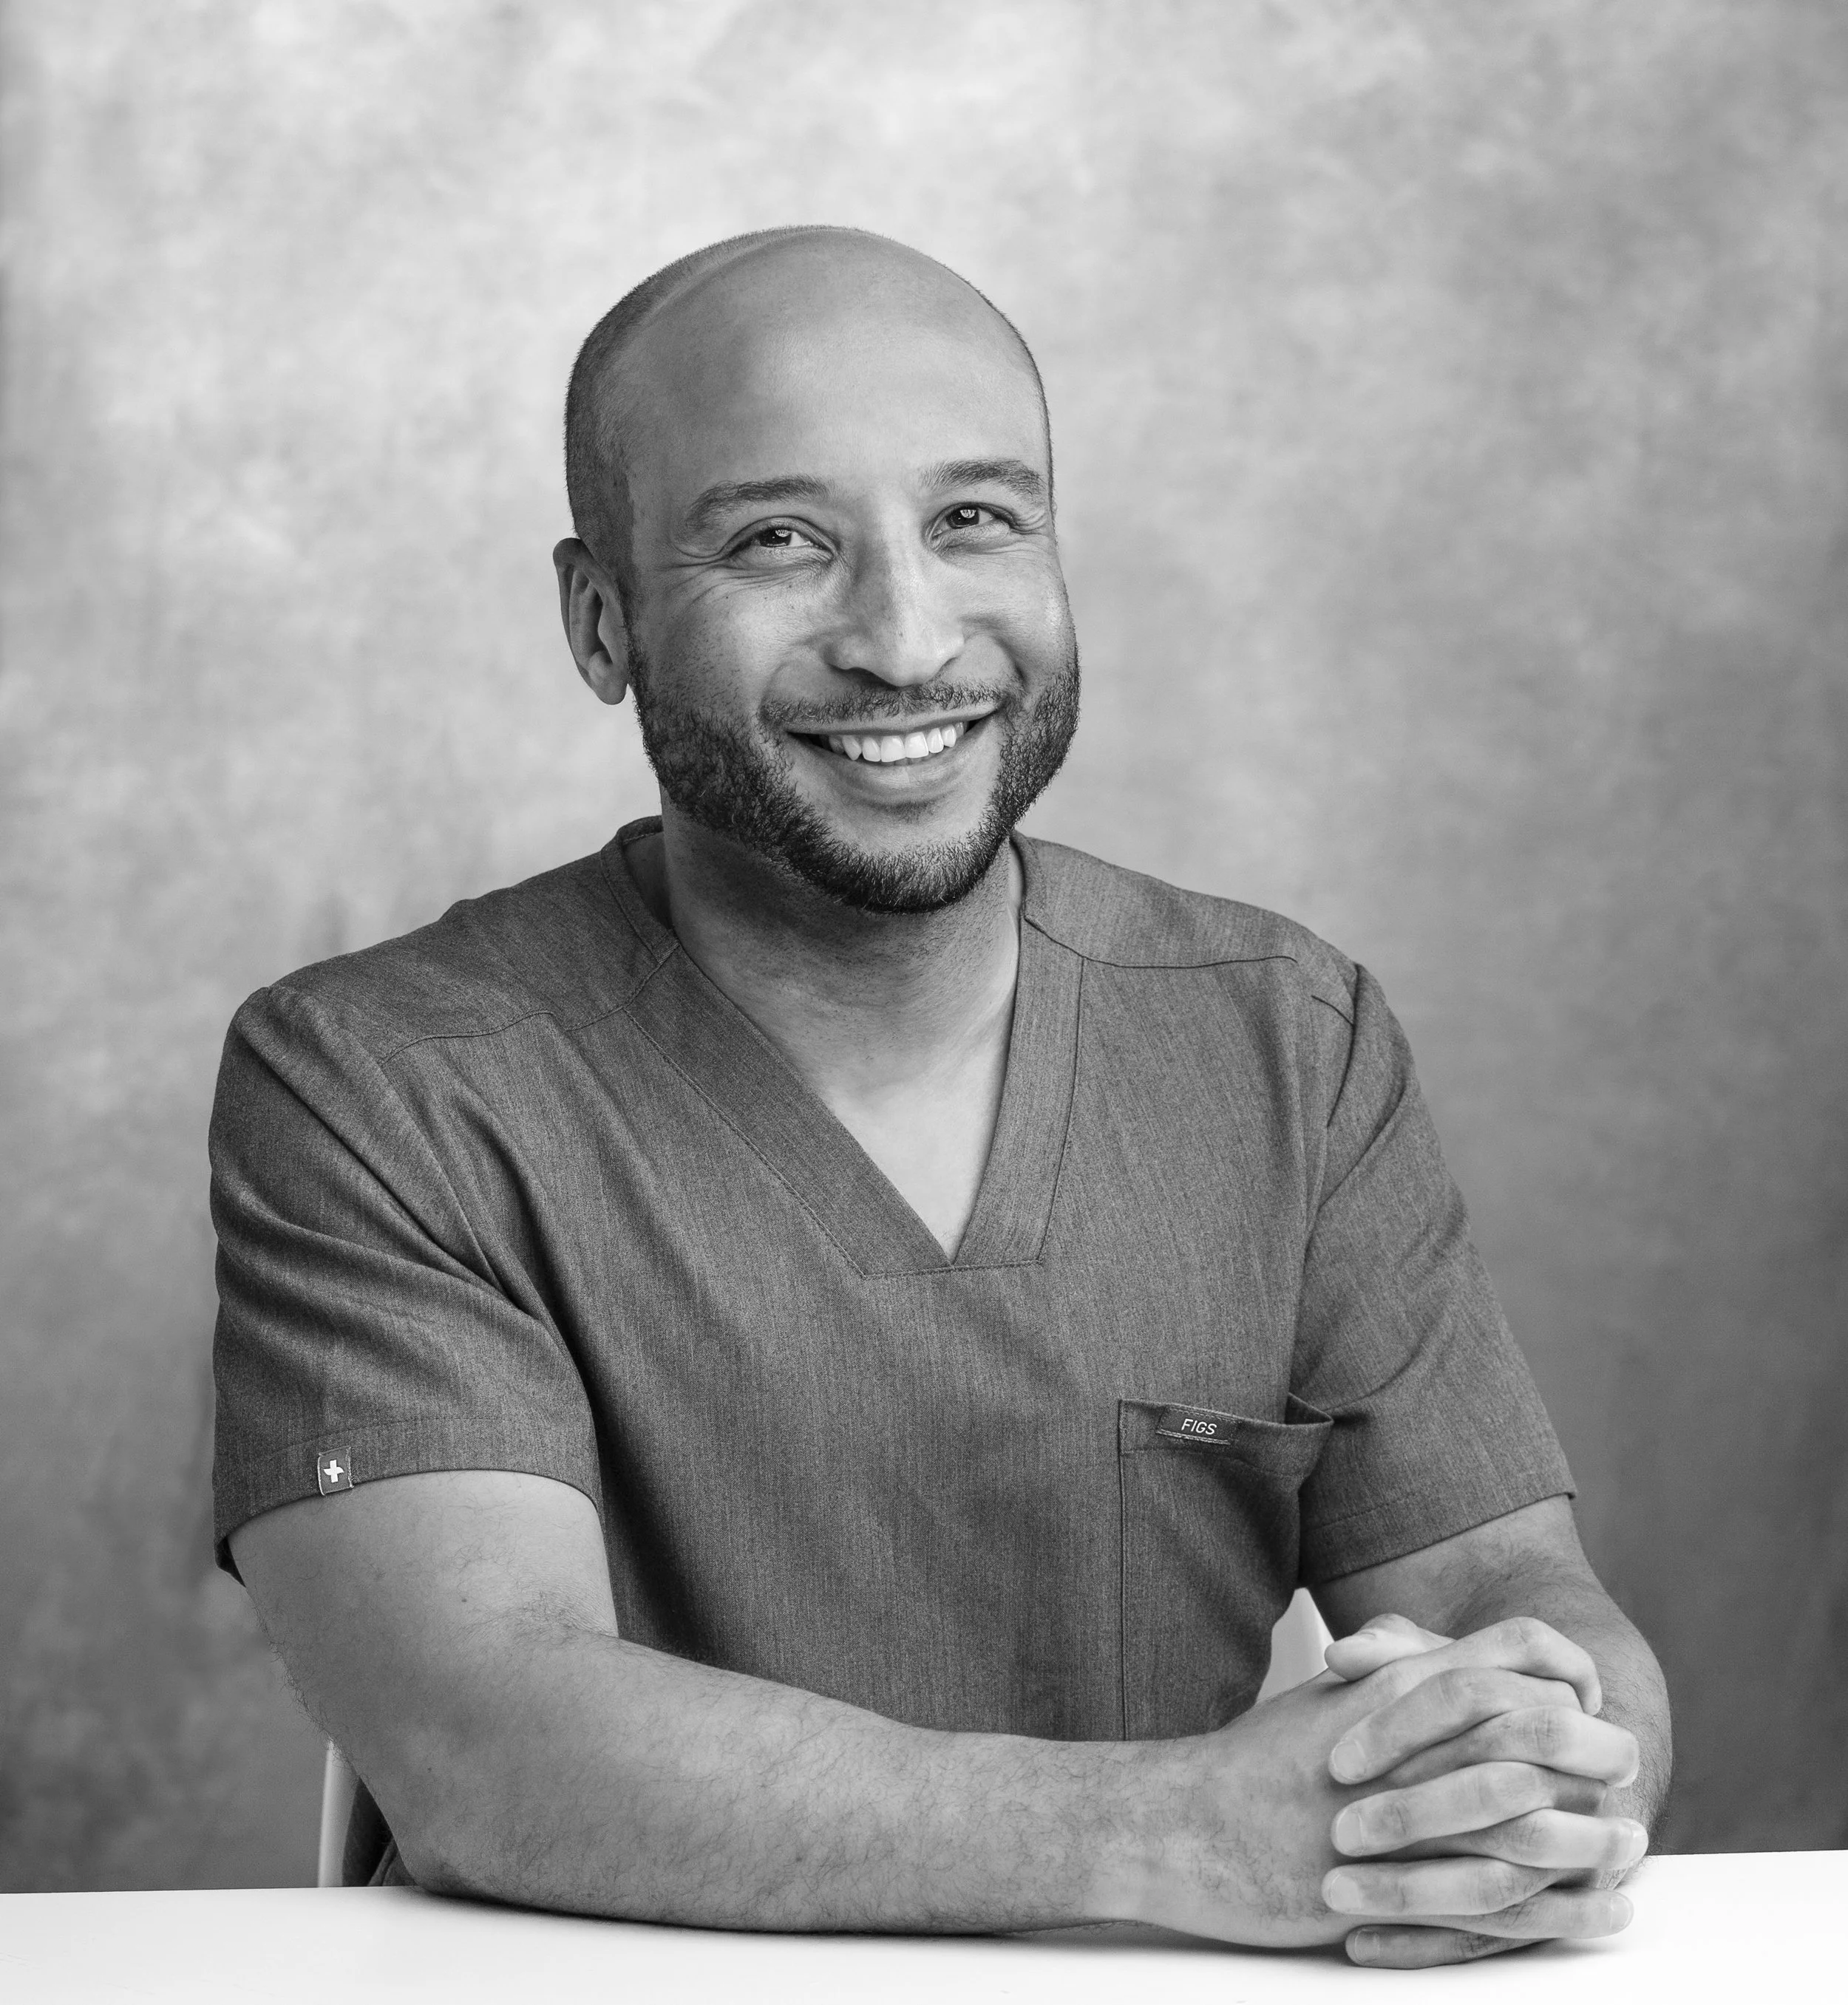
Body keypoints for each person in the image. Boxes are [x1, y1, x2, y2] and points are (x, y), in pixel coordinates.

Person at [211, 226, 1670, 1967]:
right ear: (602, 623)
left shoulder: (1282, 1036)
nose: (904, 640)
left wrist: (1544, 1771)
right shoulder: (384, 1080)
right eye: (776, 542)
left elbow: (1505, 1594)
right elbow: (481, 1739)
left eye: (973, 520)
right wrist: (1184, 1834)